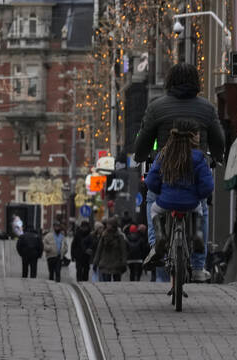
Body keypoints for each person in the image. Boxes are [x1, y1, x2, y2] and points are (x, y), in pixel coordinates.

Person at [132, 63, 226, 282]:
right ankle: (199, 265)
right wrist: (217, 157)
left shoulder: (157, 107)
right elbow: (219, 139)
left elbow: (144, 137)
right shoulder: (207, 108)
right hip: (195, 169)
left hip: (167, 169)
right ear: (196, 82)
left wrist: (140, 156)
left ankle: (156, 245)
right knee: (201, 206)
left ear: (169, 81)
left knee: (152, 199)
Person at [142, 120, 215, 279]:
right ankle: (197, 239)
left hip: (166, 202)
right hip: (190, 203)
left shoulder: (164, 154)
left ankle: (158, 239)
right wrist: (198, 193)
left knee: (153, 208)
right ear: (194, 137)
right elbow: (207, 186)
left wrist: (160, 190)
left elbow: (151, 181)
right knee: (201, 210)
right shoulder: (198, 156)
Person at [92, 217, 129, 282]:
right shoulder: (104, 236)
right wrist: (95, 262)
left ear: (114, 225)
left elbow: (123, 251)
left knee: (116, 284)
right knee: (106, 285)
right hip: (105, 264)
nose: (107, 226)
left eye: (109, 224)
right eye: (107, 224)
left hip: (116, 265)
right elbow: (99, 250)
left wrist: (124, 263)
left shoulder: (119, 237)